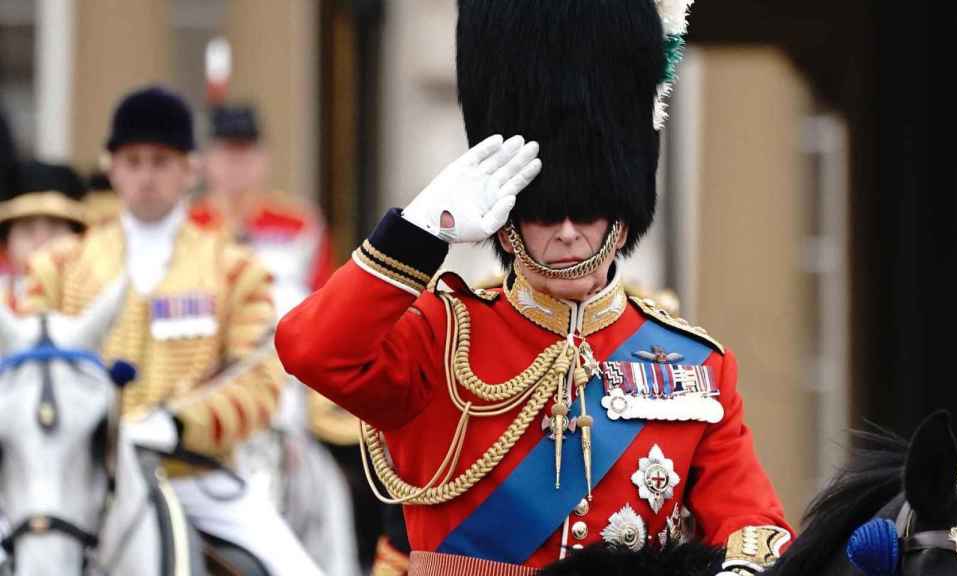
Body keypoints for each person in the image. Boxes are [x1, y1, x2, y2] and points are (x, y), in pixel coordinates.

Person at [275, 1, 792, 575]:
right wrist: (419, 232)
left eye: (588, 210)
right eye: (546, 212)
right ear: (512, 216)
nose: (568, 231)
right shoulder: (443, 337)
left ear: (621, 212)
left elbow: (754, 526)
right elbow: (311, 349)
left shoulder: (696, 366)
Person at [23, 85, 323, 576]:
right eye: (134, 160)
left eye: (161, 161)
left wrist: (178, 425)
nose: (146, 175)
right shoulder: (57, 268)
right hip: (77, 483)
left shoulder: (235, 269)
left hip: (196, 476)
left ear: (189, 169)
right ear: (112, 166)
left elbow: (260, 379)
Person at [194, 103, 360, 575]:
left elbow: (323, 315)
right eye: (226, 153)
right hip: (208, 398)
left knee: (333, 491)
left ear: (262, 159)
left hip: (288, 401)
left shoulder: (299, 226)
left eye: (245, 154)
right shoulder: (189, 230)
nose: (236, 167)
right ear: (207, 160)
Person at [0, 161, 86, 310]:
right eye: (27, 230)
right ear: (6, 244)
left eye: (55, 227)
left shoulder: (100, 298)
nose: (42, 241)